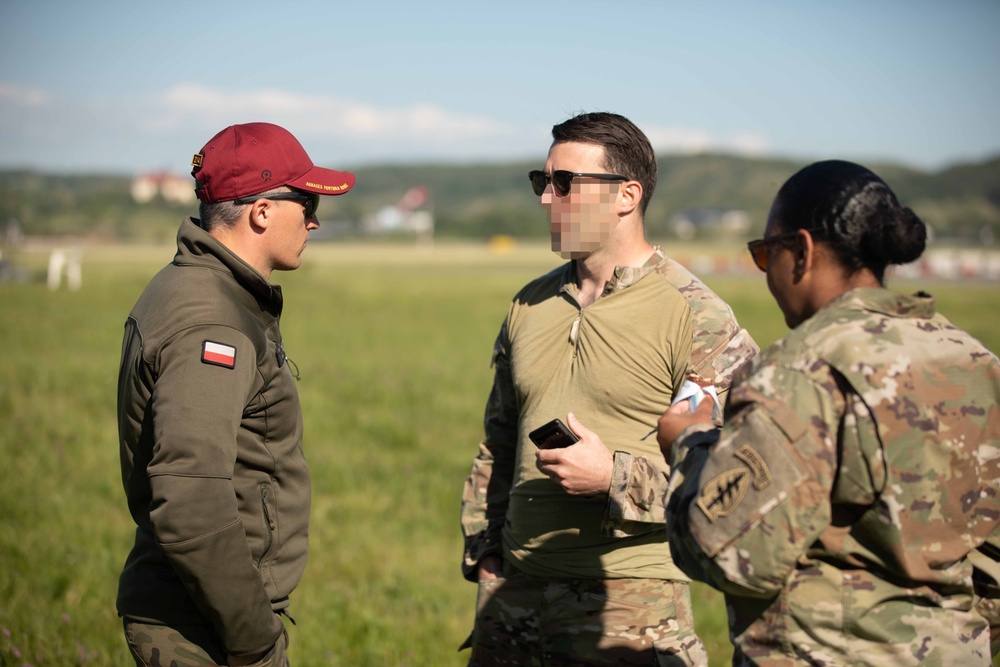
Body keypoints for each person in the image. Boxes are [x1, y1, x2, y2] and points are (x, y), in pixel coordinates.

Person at [657, 159, 1000, 666]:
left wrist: (689, 445)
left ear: (802, 252)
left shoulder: (801, 370)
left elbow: (731, 553)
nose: (765, 269)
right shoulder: (973, 360)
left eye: (763, 253)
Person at [459, 111, 758, 666]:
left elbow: (735, 477)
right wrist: (487, 552)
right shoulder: (528, 304)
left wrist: (613, 478)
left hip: (629, 606)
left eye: (565, 183)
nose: (547, 199)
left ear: (627, 195)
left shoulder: (698, 317)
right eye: (541, 182)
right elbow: (499, 440)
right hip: (513, 599)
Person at [116, 122, 355, 666]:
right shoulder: (213, 323)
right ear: (262, 211)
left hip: (202, 606)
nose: (314, 220)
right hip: (205, 623)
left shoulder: (190, 284)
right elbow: (191, 501)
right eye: (307, 201)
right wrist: (254, 638)